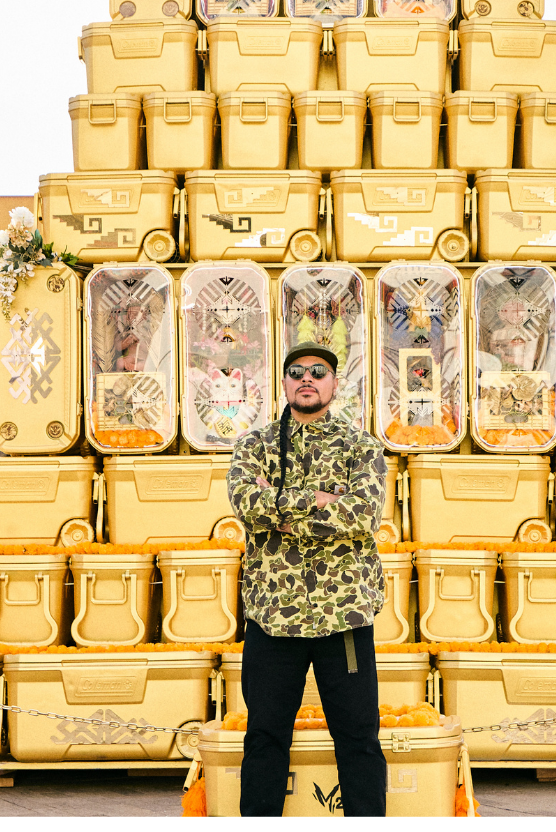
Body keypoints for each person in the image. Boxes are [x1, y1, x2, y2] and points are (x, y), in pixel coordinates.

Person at [226, 344, 389, 817]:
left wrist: (280, 507)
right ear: (283, 383)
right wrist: (319, 499)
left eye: (319, 372)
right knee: (264, 735)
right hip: (273, 617)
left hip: (343, 617)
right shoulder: (253, 445)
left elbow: (363, 514)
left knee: (358, 737)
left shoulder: (361, 445)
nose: (307, 378)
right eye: (296, 372)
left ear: (335, 384)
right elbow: (246, 505)